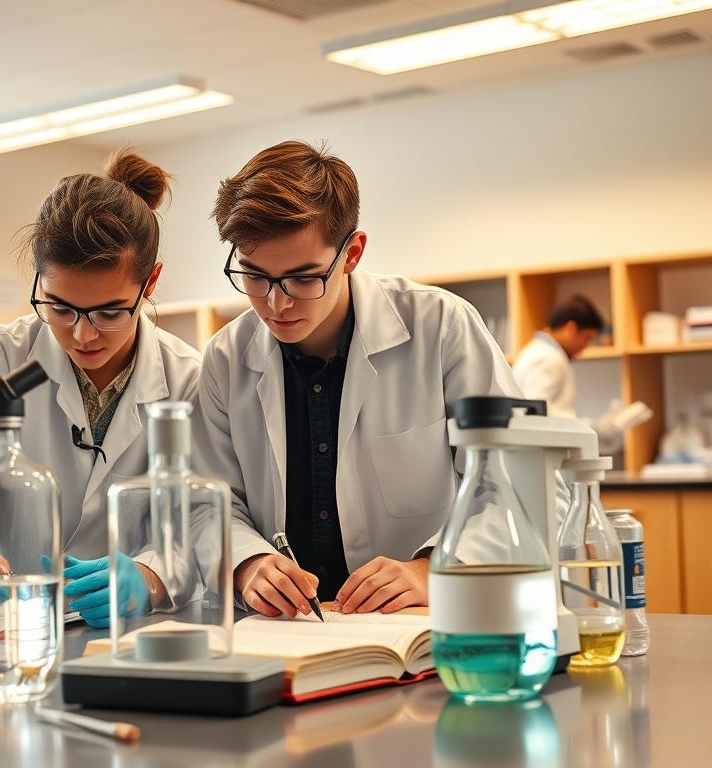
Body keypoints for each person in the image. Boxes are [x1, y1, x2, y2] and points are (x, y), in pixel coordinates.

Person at [192, 140, 528, 619]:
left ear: (352, 253)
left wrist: (437, 568)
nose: (277, 303)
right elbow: (209, 502)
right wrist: (248, 562)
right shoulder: (226, 359)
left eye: (303, 278)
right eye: (255, 276)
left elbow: (517, 483)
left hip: (425, 628)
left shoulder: (440, 326)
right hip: (291, 633)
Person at [0, 150, 201, 628]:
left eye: (109, 312)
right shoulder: (1, 359)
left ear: (150, 283)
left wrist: (150, 575)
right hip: (4, 624)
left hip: (126, 635)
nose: (83, 335)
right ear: (39, 280)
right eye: (61, 308)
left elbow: (201, 521)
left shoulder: (186, 377)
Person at [513, 296, 646, 450]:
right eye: (586, 338)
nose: (584, 348)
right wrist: (592, 427)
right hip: (541, 456)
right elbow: (534, 412)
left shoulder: (539, 352)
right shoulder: (547, 358)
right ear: (570, 328)